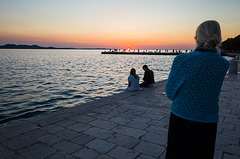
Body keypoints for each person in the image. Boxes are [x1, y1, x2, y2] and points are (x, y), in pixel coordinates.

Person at [165, 20, 230, 159]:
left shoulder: (182, 60)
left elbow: (170, 93)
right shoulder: (223, 64)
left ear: (196, 38)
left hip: (181, 120)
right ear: (218, 38)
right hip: (208, 122)